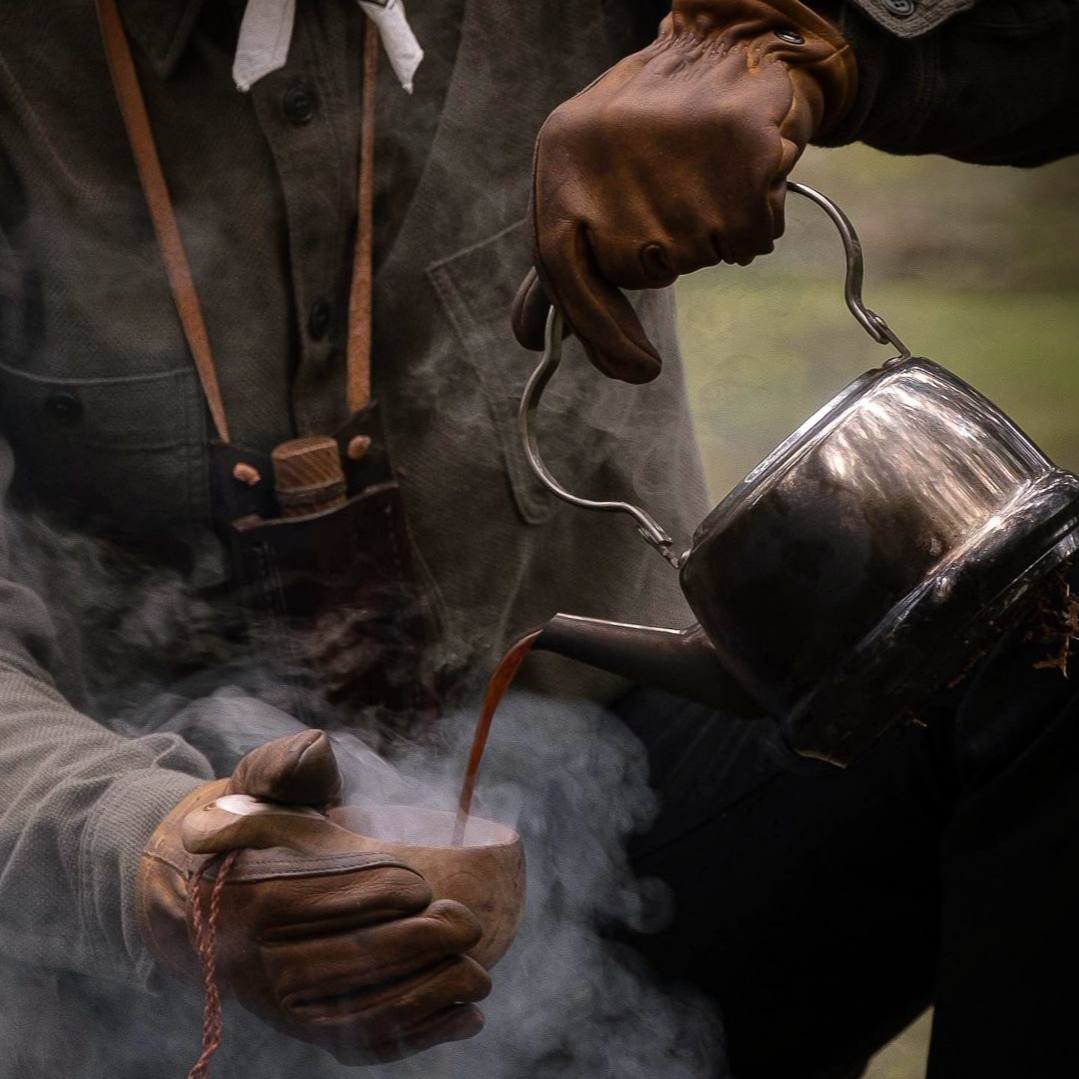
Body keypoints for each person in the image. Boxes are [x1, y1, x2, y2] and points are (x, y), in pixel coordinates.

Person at [0, 0, 1075, 1076]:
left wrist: (793, 49)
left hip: (631, 844)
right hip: (150, 966)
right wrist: (153, 854)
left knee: (1053, 618)